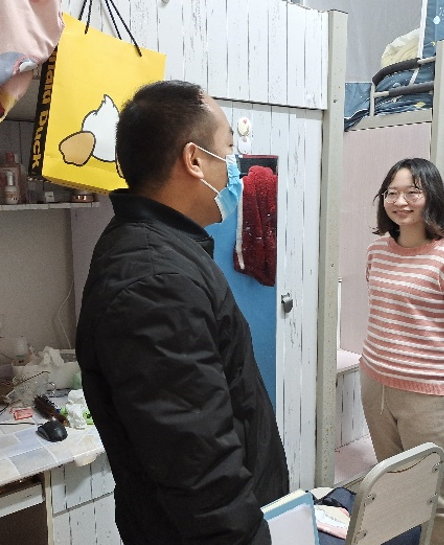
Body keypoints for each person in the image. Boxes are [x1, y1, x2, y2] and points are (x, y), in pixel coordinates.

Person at [74, 80, 289, 545]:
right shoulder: (154, 281)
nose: (236, 166)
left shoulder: (164, 250)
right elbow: (198, 466)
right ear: (193, 160)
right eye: (228, 149)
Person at [360, 158, 444, 545]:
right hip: (376, 386)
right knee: (393, 488)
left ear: (431, 196)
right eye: (391, 193)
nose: (400, 201)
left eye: (412, 192)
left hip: (428, 395)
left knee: (436, 499)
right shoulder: (377, 251)